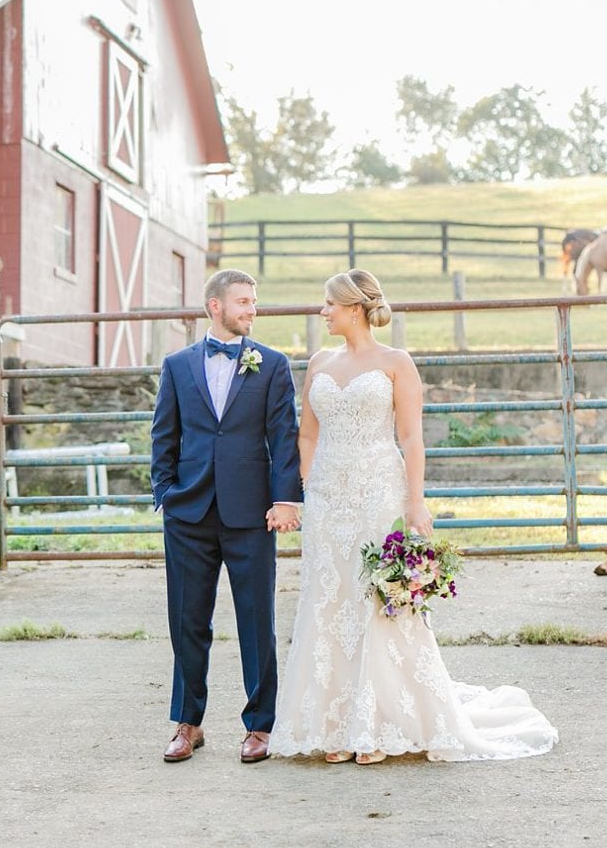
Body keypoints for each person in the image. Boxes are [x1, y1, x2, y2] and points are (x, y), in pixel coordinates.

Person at [270, 268, 558, 764]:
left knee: (375, 599)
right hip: (328, 499)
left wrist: (415, 501)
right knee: (327, 599)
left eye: (329, 305)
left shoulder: (395, 362)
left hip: (378, 491)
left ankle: (379, 725)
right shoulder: (318, 362)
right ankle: (333, 725)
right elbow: (308, 435)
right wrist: (310, 488)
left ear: (354, 309)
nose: (322, 313)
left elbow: (411, 438)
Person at [149, 269, 303, 764]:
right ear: (215, 306)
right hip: (189, 513)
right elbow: (163, 436)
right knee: (187, 621)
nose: (252, 310)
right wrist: (166, 495)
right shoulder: (176, 366)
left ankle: (260, 725)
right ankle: (187, 723)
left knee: (257, 621)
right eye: (243, 302)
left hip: (251, 513)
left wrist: (285, 500)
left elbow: (284, 438)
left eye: (254, 302)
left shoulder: (273, 365)